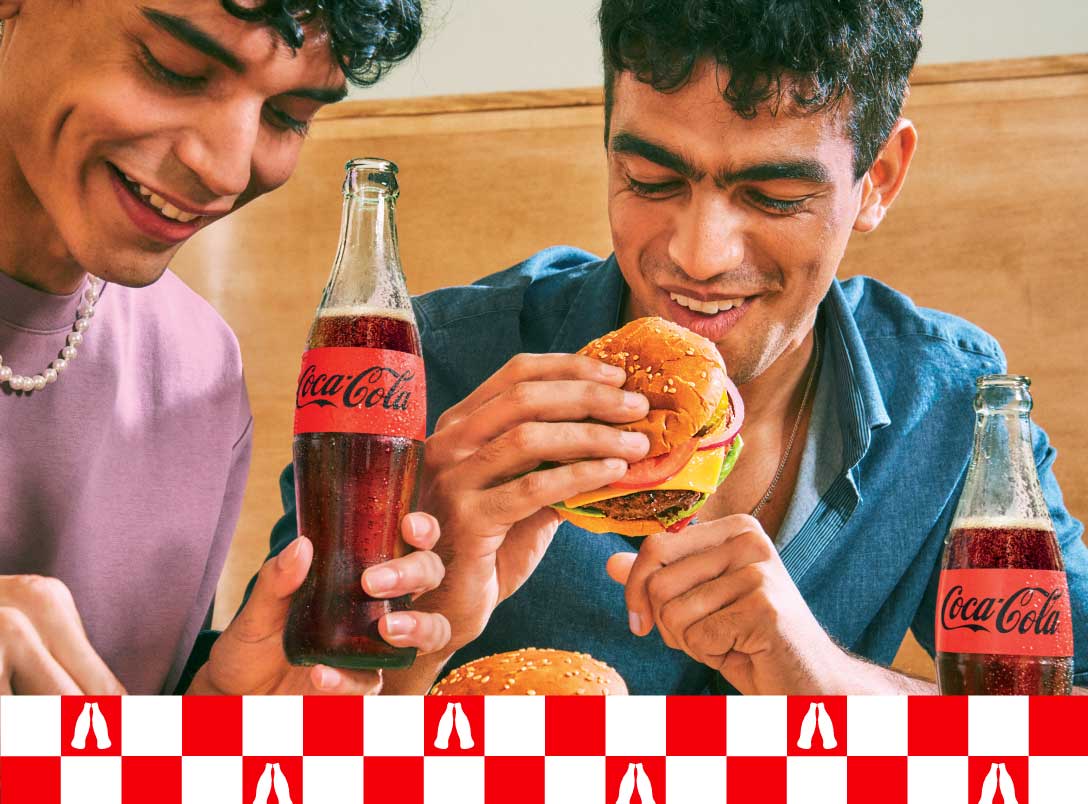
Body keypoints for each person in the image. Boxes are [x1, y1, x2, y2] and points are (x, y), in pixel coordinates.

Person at [265, 0, 1088, 695]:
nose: (699, 255)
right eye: (652, 182)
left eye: (773, 195)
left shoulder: (950, 402)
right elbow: (253, 758)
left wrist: (827, 685)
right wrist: (412, 636)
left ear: (878, 181)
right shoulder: (426, 370)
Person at [0, 1, 450, 696]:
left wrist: (213, 722)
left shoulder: (200, 370)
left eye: (288, 115)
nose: (227, 170)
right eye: (175, 68)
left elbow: (119, 778)